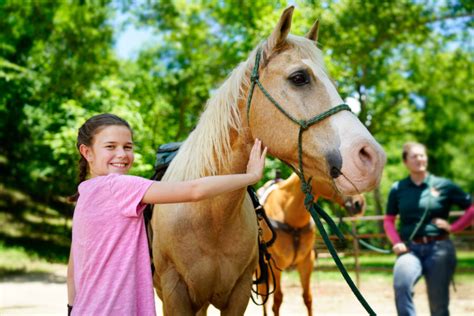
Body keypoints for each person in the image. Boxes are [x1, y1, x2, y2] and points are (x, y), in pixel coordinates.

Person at [66, 113, 267, 316]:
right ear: (87, 152)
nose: (122, 154)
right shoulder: (120, 186)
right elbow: (194, 190)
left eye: (127, 147)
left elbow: (74, 266)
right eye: (110, 146)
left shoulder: (85, 194)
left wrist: (71, 308)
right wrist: (251, 176)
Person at [383, 142, 474, 316]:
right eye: (414, 156)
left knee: (438, 304)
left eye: (422, 155)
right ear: (405, 162)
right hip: (410, 249)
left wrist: (453, 227)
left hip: (439, 249)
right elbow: (388, 220)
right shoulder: (397, 188)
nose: (419, 159)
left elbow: (471, 208)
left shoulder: (444, 185)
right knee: (401, 285)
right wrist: (396, 242)